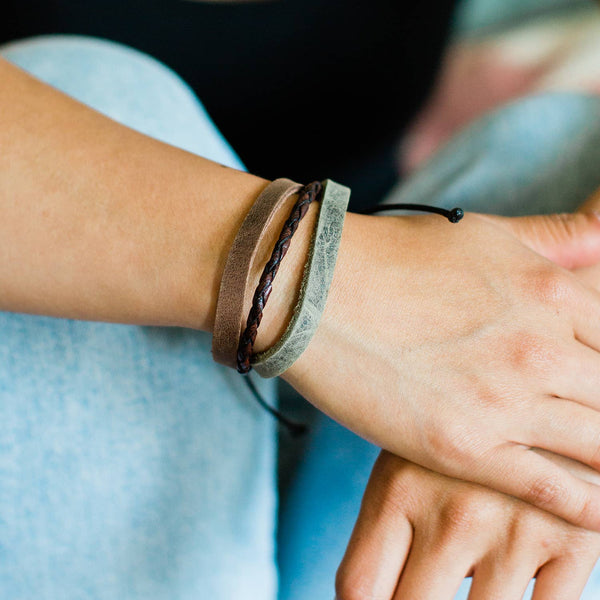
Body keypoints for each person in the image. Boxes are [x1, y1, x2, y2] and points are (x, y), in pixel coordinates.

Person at [1, 5, 600, 600]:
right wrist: (313, 280)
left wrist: (563, 354)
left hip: (377, 367)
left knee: (552, 153)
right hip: (97, 331)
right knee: (94, 89)